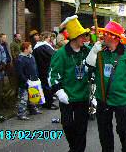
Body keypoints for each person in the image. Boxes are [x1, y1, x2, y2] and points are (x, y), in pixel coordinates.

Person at [86, 21, 126, 152]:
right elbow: (89, 68)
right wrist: (93, 52)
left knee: (123, 130)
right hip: (103, 99)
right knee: (104, 131)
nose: (102, 36)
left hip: (121, 100)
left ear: (114, 37)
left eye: (105, 34)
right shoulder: (100, 52)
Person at [48, 15, 91, 152]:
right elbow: (52, 75)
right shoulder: (61, 54)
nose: (85, 39)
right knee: (67, 125)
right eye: (82, 37)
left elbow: (95, 67)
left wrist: (96, 53)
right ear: (74, 37)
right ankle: (74, 148)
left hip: (83, 96)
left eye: (85, 36)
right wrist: (59, 91)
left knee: (82, 128)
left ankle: (78, 150)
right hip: (67, 96)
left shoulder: (86, 51)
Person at [15, 42, 42, 120]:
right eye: (30, 47)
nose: (31, 49)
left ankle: (33, 110)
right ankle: (21, 113)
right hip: (25, 83)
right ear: (26, 49)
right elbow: (20, 73)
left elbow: (35, 68)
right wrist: (26, 80)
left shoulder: (31, 57)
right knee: (23, 98)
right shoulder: (20, 59)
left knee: (33, 96)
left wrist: (37, 77)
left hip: (34, 81)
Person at [33, 31, 57, 110]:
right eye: (49, 37)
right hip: (45, 69)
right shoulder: (44, 46)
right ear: (47, 37)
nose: (50, 39)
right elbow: (53, 55)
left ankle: (45, 102)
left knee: (44, 86)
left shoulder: (37, 46)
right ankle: (48, 103)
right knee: (46, 86)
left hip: (40, 69)